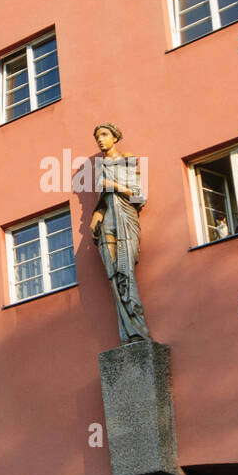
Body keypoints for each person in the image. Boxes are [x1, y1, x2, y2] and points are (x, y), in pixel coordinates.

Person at [89, 123, 151, 344]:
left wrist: (112, 185)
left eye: (105, 135)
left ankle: (140, 332)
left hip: (126, 217)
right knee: (114, 277)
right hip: (107, 223)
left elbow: (138, 197)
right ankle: (126, 334)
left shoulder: (126, 160)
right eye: (97, 137)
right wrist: (96, 216)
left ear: (115, 137)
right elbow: (102, 203)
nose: (100, 140)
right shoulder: (99, 168)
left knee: (126, 274)